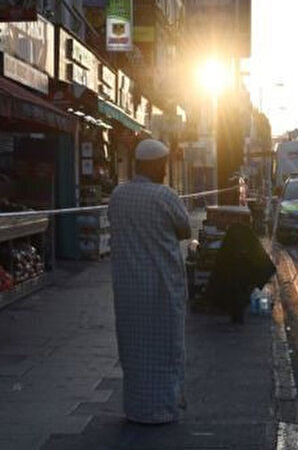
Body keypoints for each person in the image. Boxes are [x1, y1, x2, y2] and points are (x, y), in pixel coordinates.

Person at [108, 139, 192, 424]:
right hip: (161, 287)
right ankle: (161, 409)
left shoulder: (118, 195)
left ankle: (137, 409)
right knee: (165, 346)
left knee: (135, 349)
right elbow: (184, 229)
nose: (166, 171)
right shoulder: (165, 196)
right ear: (154, 165)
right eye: (164, 165)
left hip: (129, 288)